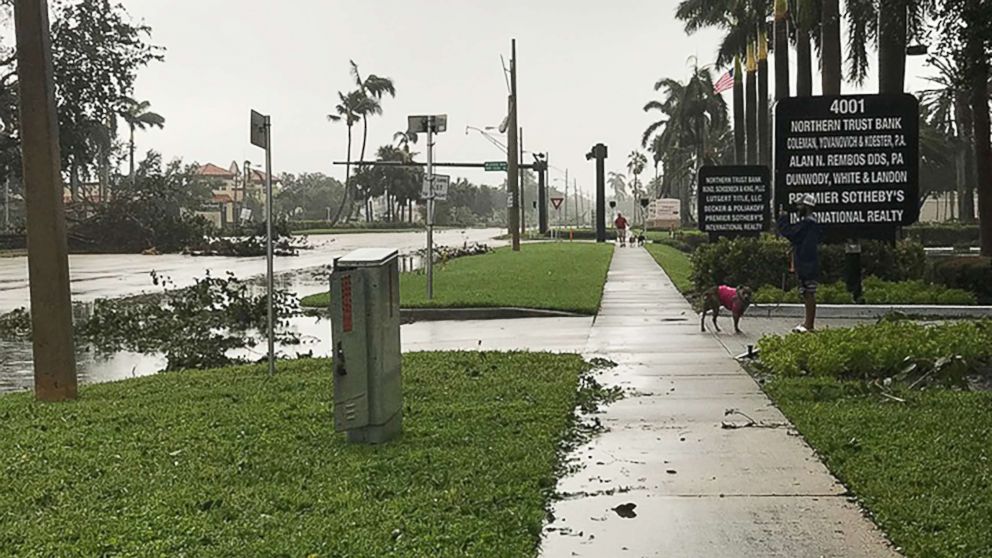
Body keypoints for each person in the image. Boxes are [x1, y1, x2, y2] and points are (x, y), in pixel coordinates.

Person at [777, 194, 820, 333]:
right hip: (806, 262)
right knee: (806, 292)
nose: (797, 208)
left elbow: (791, 233)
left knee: (808, 292)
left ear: (807, 207)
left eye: (800, 205)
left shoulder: (808, 224)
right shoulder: (809, 224)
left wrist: (782, 219)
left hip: (807, 263)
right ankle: (807, 323)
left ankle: (809, 324)